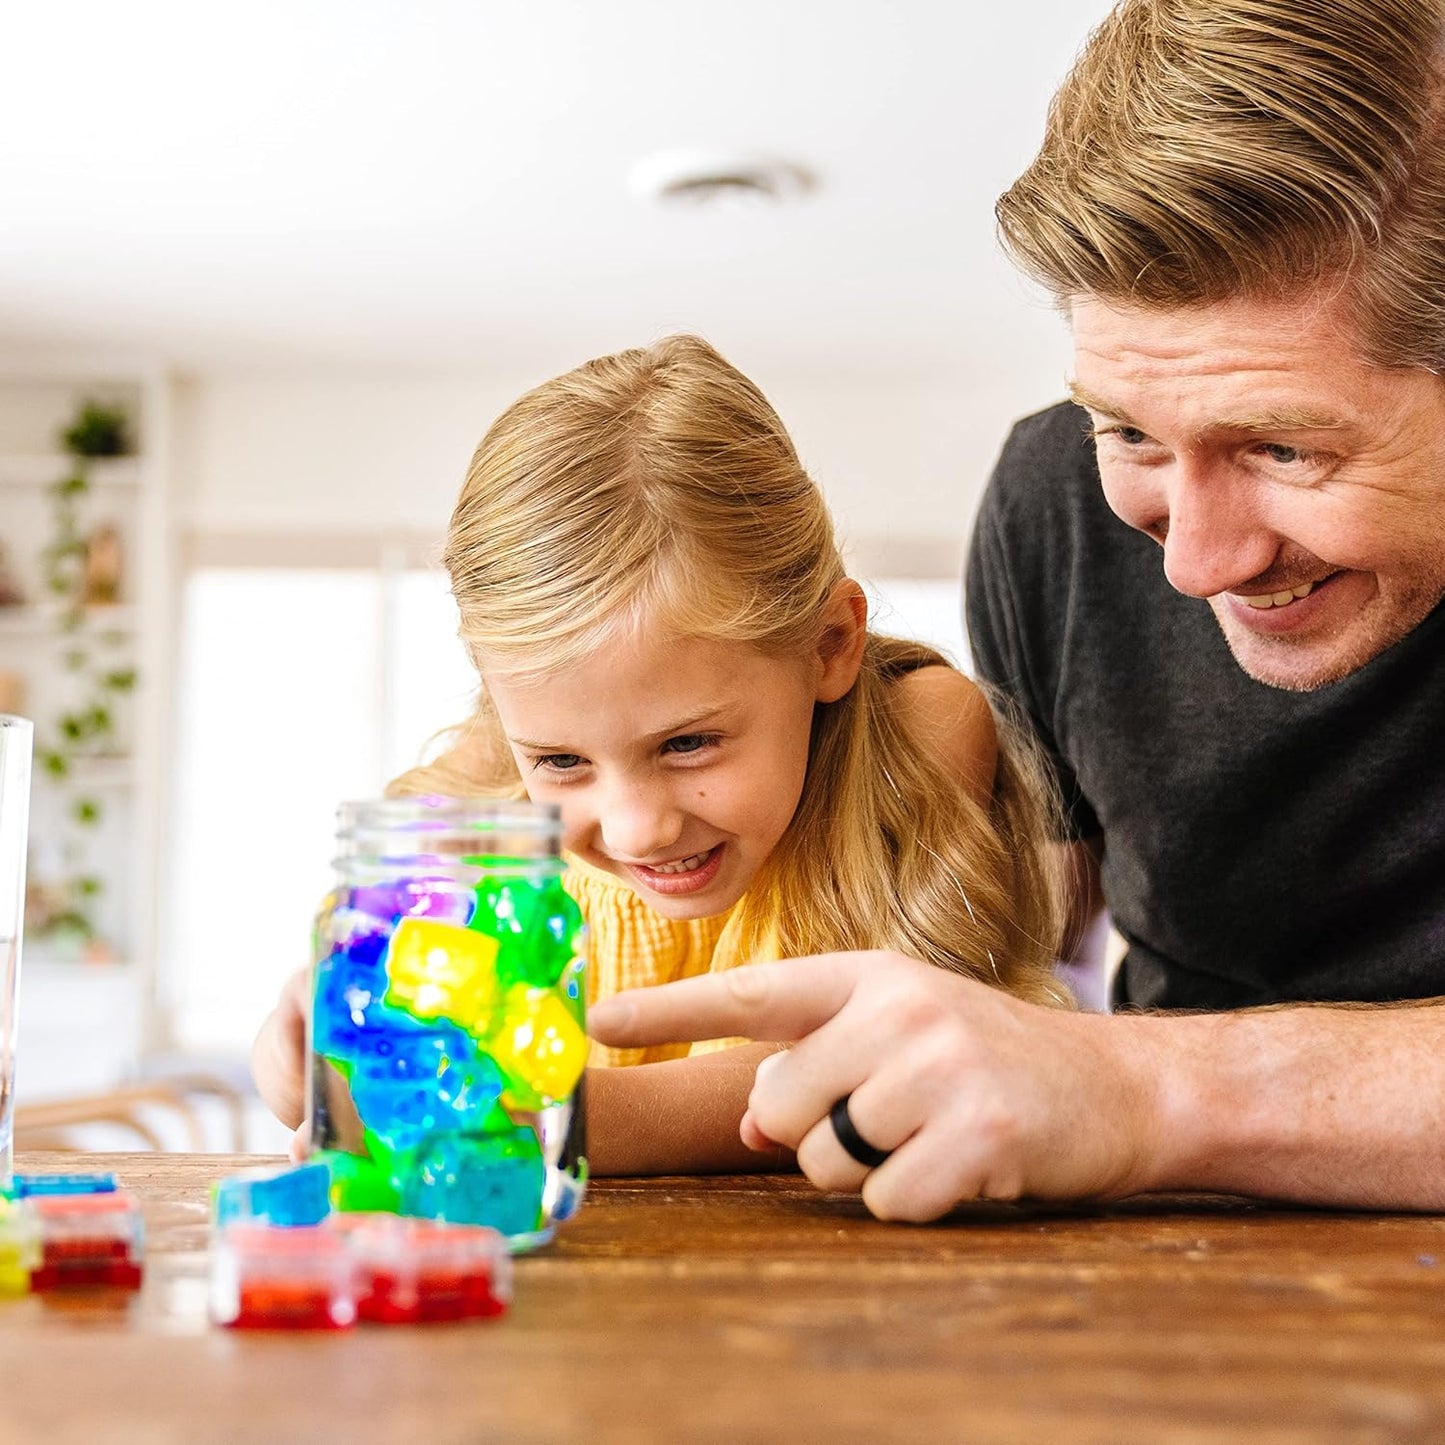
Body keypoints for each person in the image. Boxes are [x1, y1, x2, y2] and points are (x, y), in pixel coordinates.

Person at [590, 0, 1445, 1218]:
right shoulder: (1051, 500)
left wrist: (1148, 1089)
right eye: (1130, 431)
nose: (1193, 564)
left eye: (1282, 448)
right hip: (1154, 1273)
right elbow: (1027, 944)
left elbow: (1098, 1073)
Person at [252, 334, 1070, 1173]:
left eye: (687, 743)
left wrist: (564, 1119)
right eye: (563, 761)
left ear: (829, 644)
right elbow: (363, 1033)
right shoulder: (490, 778)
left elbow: (878, 1050)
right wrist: (321, 1038)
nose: (637, 830)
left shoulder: (913, 728)